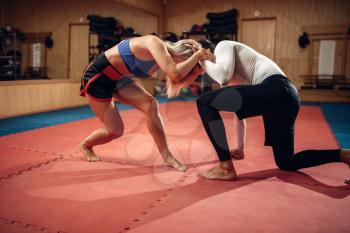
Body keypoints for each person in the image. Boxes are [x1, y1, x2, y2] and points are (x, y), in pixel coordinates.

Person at [196, 40, 350, 183]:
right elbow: (239, 109)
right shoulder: (231, 70)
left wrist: (201, 59)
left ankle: (225, 168)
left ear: (207, 51)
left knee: (204, 102)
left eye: (198, 66)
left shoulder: (223, 45)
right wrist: (240, 148)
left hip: (276, 88)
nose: (202, 70)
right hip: (288, 97)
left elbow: (222, 76)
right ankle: (344, 155)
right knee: (286, 162)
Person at [79, 35, 210, 172]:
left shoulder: (165, 59)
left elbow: (179, 82)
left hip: (118, 79)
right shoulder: (154, 42)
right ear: (182, 54)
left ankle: (167, 157)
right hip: (98, 77)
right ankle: (86, 145)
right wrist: (196, 57)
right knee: (115, 131)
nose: (186, 69)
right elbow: (175, 74)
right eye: (187, 63)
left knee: (151, 105)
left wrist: (198, 71)